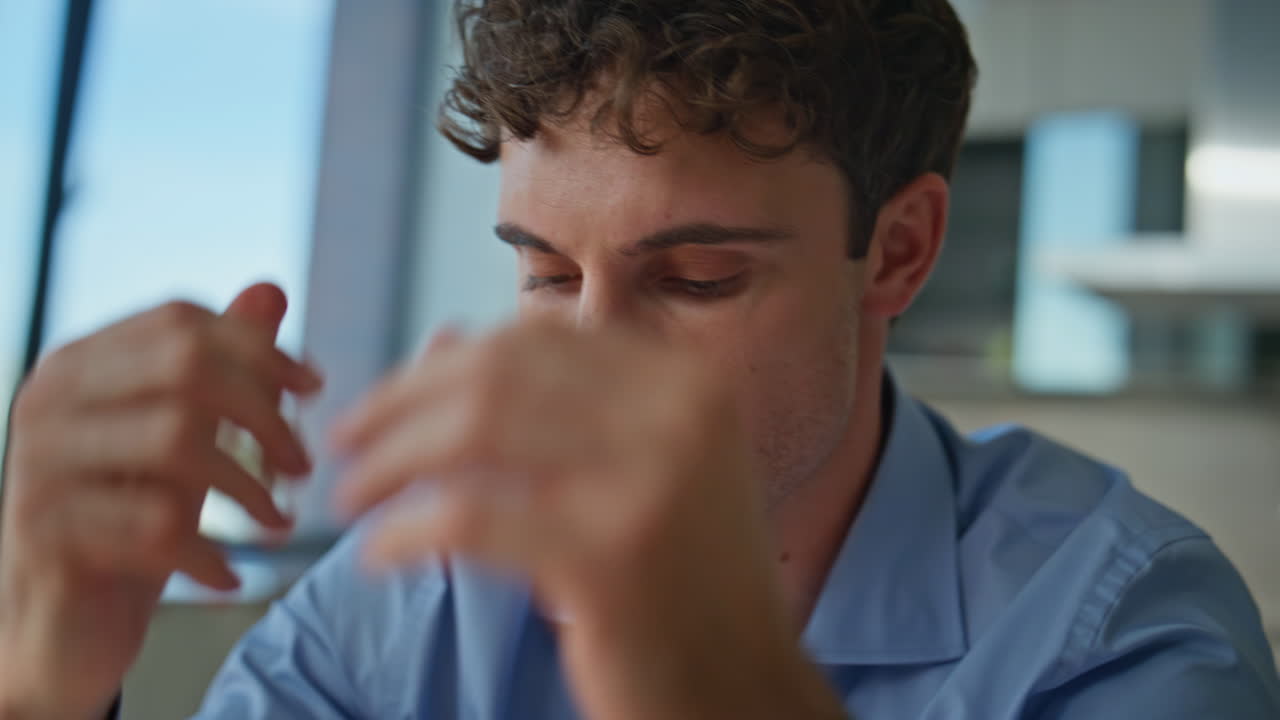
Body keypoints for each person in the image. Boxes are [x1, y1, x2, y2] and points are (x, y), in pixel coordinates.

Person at [2, 0, 1277, 717]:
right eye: (545, 273)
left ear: (895, 252)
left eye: (696, 279)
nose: (587, 363)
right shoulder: (415, 596)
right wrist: (45, 679)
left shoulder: (1120, 634)